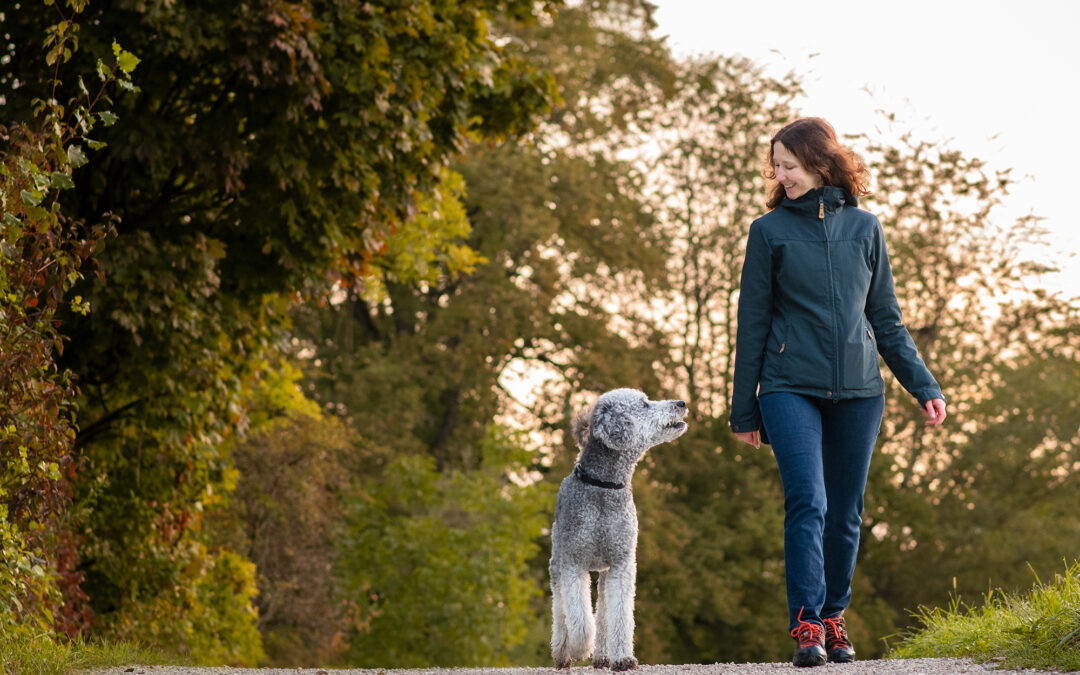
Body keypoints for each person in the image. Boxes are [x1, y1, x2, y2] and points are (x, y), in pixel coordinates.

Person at [728, 117, 947, 668]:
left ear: (821, 164)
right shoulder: (769, 231)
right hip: (787, 387)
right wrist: (743, 407)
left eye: (789, 165)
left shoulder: (866, 229)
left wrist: (923, 385)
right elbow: (752, 323)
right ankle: (806, 624)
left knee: (846, 511)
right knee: (809, 501)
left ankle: (832, 616)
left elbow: (887, 320)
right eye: (775, 165)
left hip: (859, 391)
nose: (780, 175)